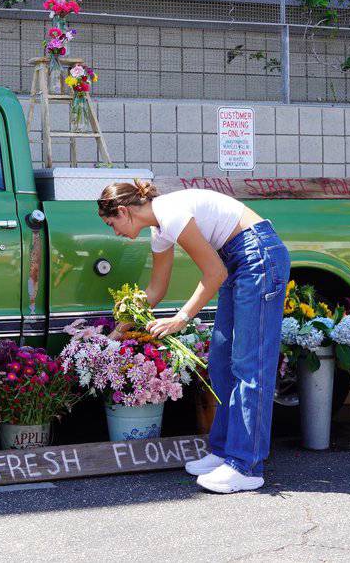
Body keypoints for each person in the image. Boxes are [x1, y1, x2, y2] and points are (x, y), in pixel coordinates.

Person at [97, 179, 290, 493]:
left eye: (112, 223)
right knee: (221, 362)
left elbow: (214, 273)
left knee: (248, 364)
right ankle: (224, 452)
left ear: (123, 210)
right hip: (240, 258)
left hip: (258, 255)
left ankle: (246, 466)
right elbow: (156, 290)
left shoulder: (170, 212)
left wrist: (181, 318)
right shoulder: (159, 229)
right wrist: (121, 327)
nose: (114, 231)